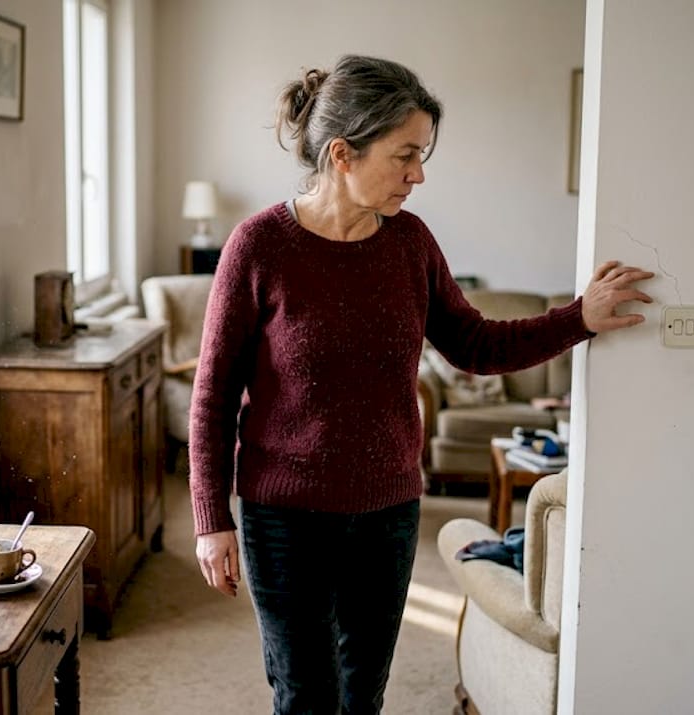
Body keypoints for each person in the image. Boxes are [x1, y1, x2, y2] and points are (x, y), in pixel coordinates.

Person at [188, 54, 654, 714]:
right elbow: (212, 396)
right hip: (284, 517)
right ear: (344, 153)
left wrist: (578, 317)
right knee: (305, 696)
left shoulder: (409, 244)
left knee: (363, 696)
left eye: (423, 153)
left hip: (388, 514)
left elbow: (475, 343)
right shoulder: (259, 246)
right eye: (405, 154)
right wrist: (211, 518)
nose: (419, 174)